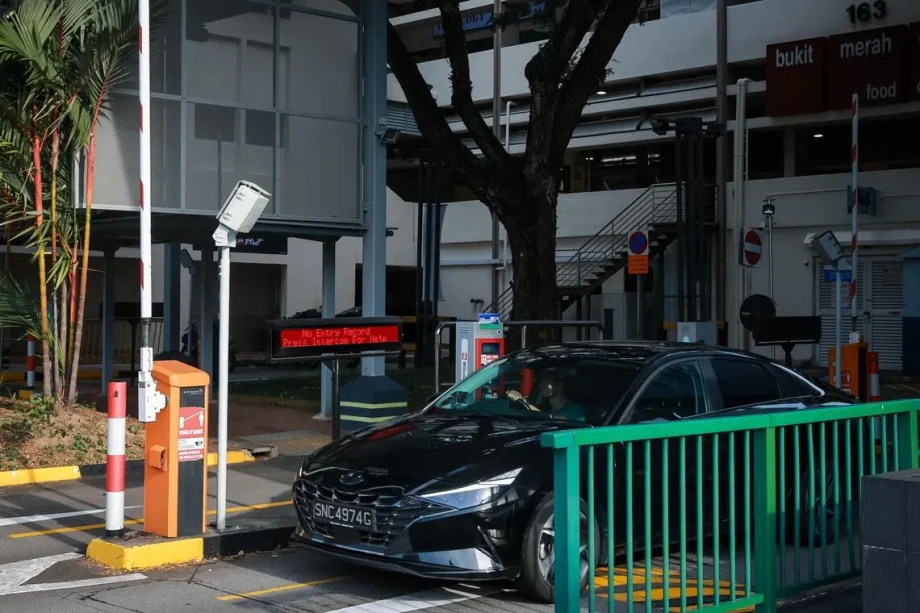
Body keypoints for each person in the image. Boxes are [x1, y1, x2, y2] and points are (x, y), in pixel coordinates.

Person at [506, 367, 586, 422]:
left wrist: (526, 403)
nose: (540, 385)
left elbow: (555, 420)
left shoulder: (575, 410)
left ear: (559, 386)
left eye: (545, 381)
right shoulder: (546, 408)